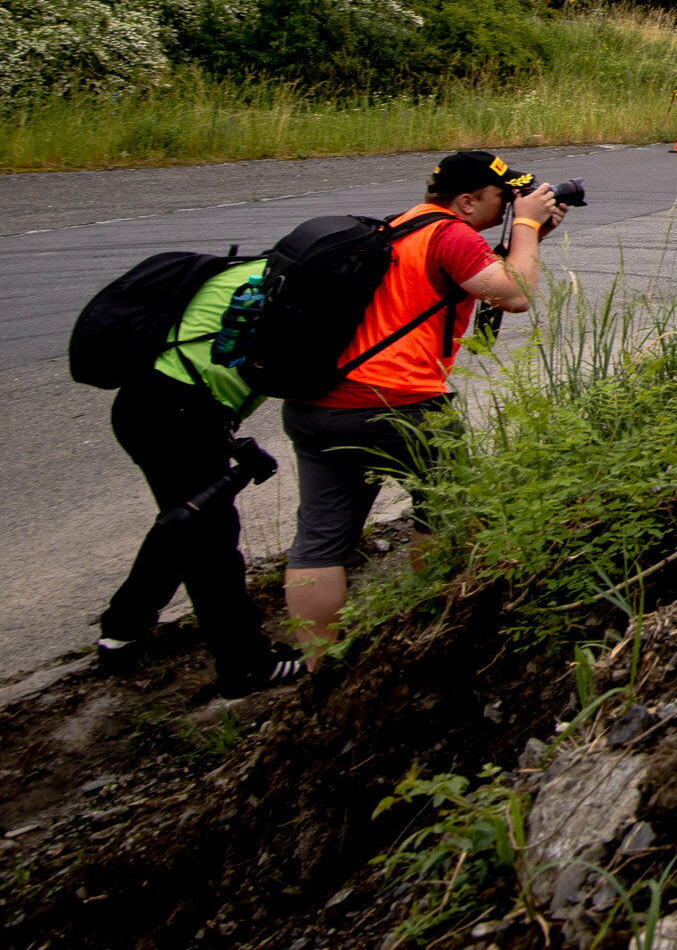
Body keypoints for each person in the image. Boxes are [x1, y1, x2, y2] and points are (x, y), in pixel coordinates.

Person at [282, 151, 568, 667]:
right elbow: (515, 294)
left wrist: (527, 236)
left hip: (318, 404)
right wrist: (526, 226)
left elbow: (470, 288)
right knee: (447, 511)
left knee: (318, 543)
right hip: (398, 404)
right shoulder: (452, 234)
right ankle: (432, 628)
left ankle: (318, 667)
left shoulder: (402, 226)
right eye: (502, 198)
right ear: (465, 200)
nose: (508, 206)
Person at [98, 262, 307, 697]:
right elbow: (298, 375)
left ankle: (121, 630)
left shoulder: (251, 270)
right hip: (179, 415)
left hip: (145, 402)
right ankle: (245, 665)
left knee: (185, 519)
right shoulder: (301, 294)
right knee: (211, 541)